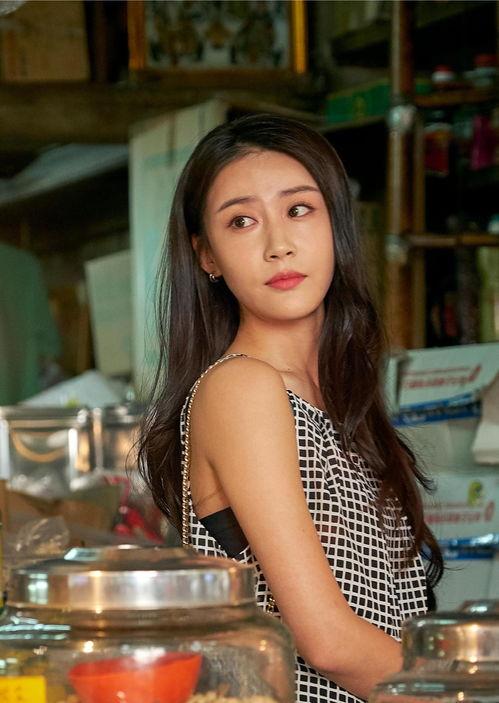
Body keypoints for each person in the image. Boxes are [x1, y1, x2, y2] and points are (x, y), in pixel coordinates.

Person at [138, 113, 443, 703]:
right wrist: (464, 689)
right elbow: (327, 642)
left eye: (299, 209)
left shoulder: (339, 398)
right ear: (208, 256)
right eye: (242, 221)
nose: (278, 245)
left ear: (335, 224)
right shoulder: (242, 388)